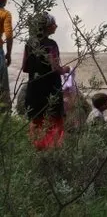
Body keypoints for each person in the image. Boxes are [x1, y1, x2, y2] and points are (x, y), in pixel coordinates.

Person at [22, 13, 70, 150]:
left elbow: (25, 68)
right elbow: (55, 68)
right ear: (47, 27)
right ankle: (52, 149)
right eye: (54, 23)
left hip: (34, 89)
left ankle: (37, 148)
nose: (56, 26)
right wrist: (65, 69)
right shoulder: (51, 45)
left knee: (37, 120)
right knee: (53, 119)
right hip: (51, 89)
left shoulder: (29, 44)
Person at [0, 0, 13, 111]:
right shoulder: (5, 14)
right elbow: (8, 35)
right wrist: (9, 54)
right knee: (3, 88)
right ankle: (4, 116)